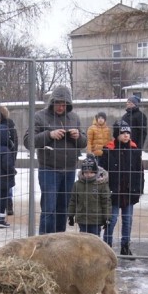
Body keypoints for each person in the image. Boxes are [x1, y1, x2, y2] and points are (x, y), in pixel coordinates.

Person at [24, 85, 87, 235]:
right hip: (49, 169)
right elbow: (28, 141)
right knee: (49, 209)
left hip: (69, 170)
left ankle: (59, 242)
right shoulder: (39, 117)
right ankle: (44, 244)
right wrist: (49, 135)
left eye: (64, 103)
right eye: (58, 103)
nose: (60, 106)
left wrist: (78, 137)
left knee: (63, 209)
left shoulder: (74, 117)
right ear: (52, 102)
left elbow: (84, 143)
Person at [100, 122, 143, 256]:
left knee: (127, 220)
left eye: (128, 133)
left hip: (129, 192)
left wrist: (139, 189)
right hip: (113, 192)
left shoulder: (135, 151)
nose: (126, 135)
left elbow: (139, 172)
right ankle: (107, 246)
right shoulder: (108, 150)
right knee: (111, 220)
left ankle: (125, 246)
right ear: (117, 134)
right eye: (123, 133)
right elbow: (102, 172)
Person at [67, 154, 110, 237]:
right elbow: (73, 201)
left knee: (94, 239)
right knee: (83, 239)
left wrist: (106, 218)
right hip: (82, 219)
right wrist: (71, 215)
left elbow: (106, 202)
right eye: (86, 173)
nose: (88, 175)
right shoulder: (77, 185)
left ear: (96, 172)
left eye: (91, 172)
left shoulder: (102, 185)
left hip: (95, 219)